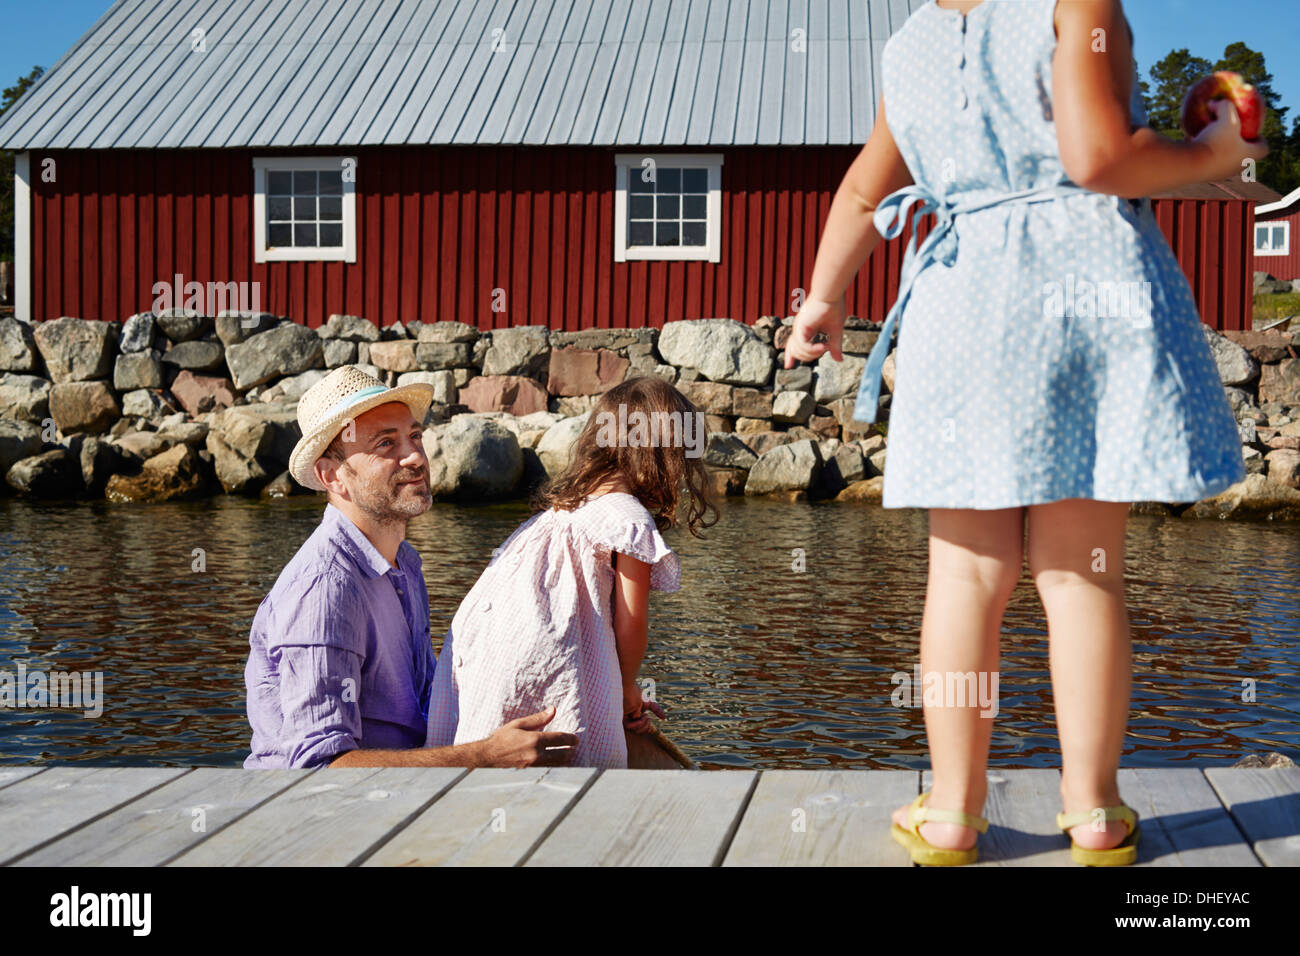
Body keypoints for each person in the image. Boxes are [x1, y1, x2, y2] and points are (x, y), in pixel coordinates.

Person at [784, 0, 1268, 865]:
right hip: (1076, 294)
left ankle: (952, 816)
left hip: (962, 296)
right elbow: (1098, 159)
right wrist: (1211, 153)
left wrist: (821, 299)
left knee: (965, 575)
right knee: (1081, 571)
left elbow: (866, 187)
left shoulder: (911, 43)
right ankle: (1091, 811)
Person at [243, 365, 578, 769]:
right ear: (332, 476)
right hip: (322, 820)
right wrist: (484, 757)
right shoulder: (325, 589)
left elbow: (426, 705)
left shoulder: (405, 562)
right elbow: (316, 770)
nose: (416, 457)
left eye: (414, 436)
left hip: (401, 796)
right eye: (386, 444)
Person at [426, 376, 719, 768]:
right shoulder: (627, 519)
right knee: (578, 747)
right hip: (549, 652)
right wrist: (628, 685)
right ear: (661, 454)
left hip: (485, 650)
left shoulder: (558, 514)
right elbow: (631, 623)